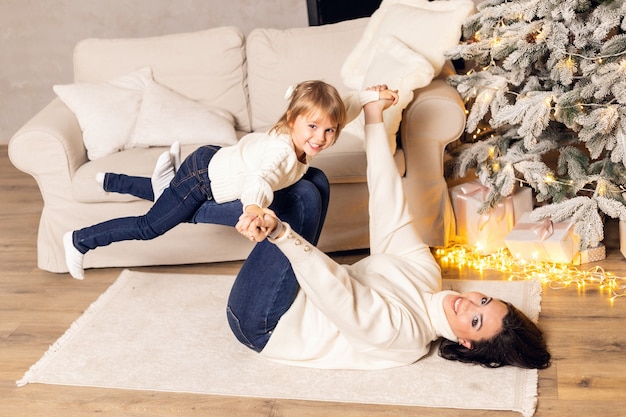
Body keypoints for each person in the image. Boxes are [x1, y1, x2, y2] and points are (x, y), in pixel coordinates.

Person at [229, 85, 551, 370]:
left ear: (467, 343)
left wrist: (281, 234)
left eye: (476, 321)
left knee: (301, 198)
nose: (468, 304)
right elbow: (388, 204)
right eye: (484, 301)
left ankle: (208, 193)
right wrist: (372, 117)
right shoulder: (427, 274)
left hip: (267, 323)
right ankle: (216, 194)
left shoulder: (405, 335)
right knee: (313, 183)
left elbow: (337, 293)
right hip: (293, 292)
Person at [63, 80, 375, 280]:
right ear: (292, 120)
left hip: (212, 162)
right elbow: (260, 179)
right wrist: (253, 208)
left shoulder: (297, 132)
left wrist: (369, 96)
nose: (320, 138)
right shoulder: (281, 153)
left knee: (169, 199)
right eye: (312, 127)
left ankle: (118, 180)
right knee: (150, 226)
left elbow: (341, 109)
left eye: (329, 130)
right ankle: (79, 240)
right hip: (202, 180)